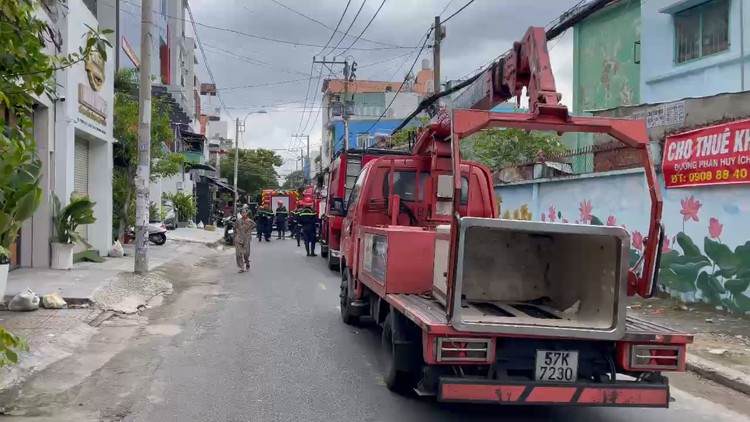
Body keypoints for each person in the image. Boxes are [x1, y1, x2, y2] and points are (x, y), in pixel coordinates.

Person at [234, 208, 256, 272]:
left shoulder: (250, 221)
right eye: (242, 213)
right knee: (238, 253)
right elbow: (234, 228)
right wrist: (234, 236)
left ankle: (247, 261)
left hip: (246, 238)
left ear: (246, 213)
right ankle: (241, 267)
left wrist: (249, 230)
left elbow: (254, 225)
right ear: (240, 214)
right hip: (238, 238)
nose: (244, 214)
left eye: (245, 212)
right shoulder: (238, 221)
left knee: (246, 253)